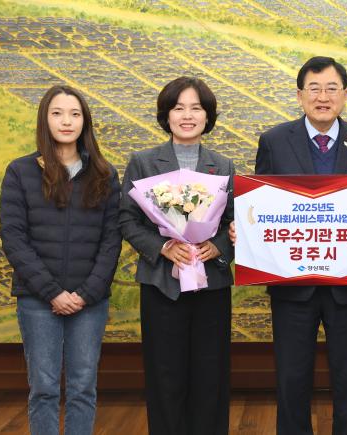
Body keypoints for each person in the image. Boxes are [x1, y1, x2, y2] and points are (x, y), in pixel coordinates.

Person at [231, 56, 347, 435]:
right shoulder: (274, 141)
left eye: (331, 88)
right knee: (291, 377)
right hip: (291, 286)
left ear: (345, 95)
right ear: (300, 96)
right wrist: (247, 231)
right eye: (314, 89)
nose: (323, 97)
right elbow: (263, 204)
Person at [0, 85, 121, 435]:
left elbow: (112, 240)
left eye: (74, 114)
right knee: (44, 389)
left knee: (83, 387)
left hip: (89, 301)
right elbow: (14, 238)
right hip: (37, 299)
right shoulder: (20, 172)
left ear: (85, 122)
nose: (66, 121)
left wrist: (86, 293)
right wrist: (52, 292)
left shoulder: (104, 173)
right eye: (57, 113)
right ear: (45, 119)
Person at [119, 77, 234, 435]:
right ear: (166, 115)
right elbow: (126, 219)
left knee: (210, 375)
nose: (187, 115)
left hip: (212, 286)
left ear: (207, 116)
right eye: (179, 108)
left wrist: (219, 246)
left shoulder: (223, 165)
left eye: (196, 108)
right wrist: (163, 247)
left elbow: (234, 222)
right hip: (161, 286)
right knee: (164, 375)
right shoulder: (142, 162)